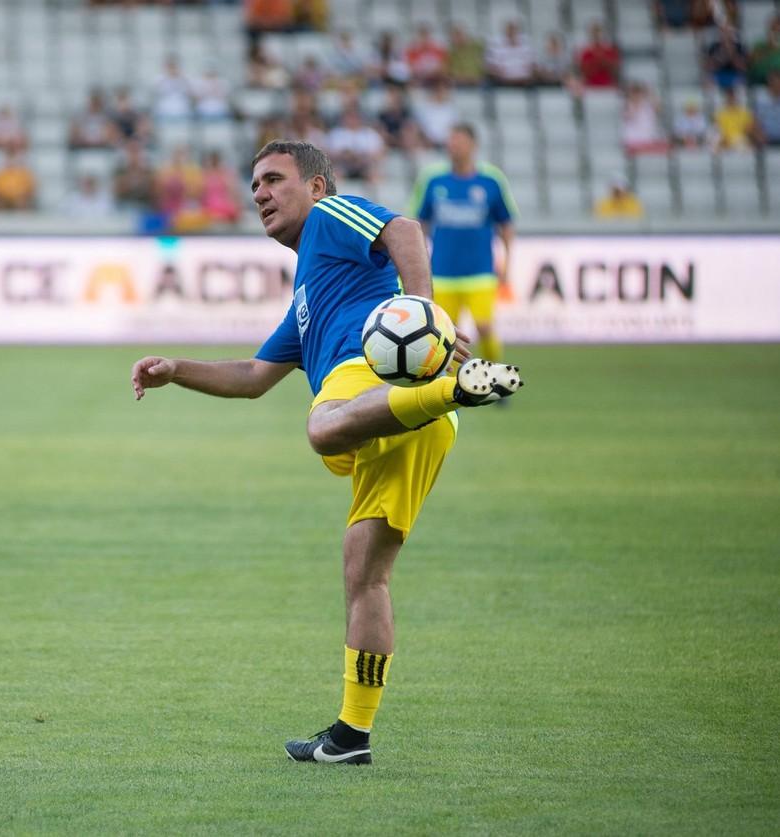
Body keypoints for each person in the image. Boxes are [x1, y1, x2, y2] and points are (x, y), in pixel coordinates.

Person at [130, 140, 523, 766]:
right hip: (411, 416)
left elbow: (406, 228)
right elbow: (255, 376)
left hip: (376, 376)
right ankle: (350, 738)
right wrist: (175, 369)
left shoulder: (330, 217)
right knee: (364, 574)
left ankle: (450, 387)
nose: (259, 192)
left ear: (315, 185)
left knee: (321, 428)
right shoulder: (309, 293)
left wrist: (422, 309)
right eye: (253, 183)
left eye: (273, 179)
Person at [409, 123, 516, 364]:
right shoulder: (434, 180)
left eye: (459, 141)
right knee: (446, 335)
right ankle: (454, 389)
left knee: (484, 326)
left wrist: (507, 263)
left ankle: (495, 371)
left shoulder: (491, 181)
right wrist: (419, 262)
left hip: (480, 270)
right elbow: (418, 224)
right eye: (451, 142)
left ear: (473, 145)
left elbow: (506, 225)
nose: (453, 146)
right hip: (442, 272)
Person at [577, 22, 620, 89]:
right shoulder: (585, 52)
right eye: (593, 33)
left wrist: (603, 60)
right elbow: (584, 72)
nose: (596, 35)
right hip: (590, 87)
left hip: (608, 86)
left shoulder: (610, 50)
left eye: (598, 32)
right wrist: (596, 61)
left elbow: (615, 70)